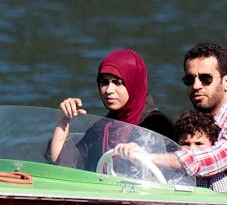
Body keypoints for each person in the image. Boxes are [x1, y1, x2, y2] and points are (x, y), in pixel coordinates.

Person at [113, 42, 227, 194]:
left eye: (206, 79)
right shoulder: (194, 124)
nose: (196, 86)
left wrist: (149, 157)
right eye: (189, 79)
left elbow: (216, 158)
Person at [47, 48, 175, 168]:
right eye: (104, 82)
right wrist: (63, 120)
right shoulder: (102, 128)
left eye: (117, 83)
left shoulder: (156, 124)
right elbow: (68, 166)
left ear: (134, 83)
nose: (109, 90)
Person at [174, 110, 227, 191]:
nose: (192, 149)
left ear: (213, 145)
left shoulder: (218, 180)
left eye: (199, 143)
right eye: (185, 144)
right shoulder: (174, 175)